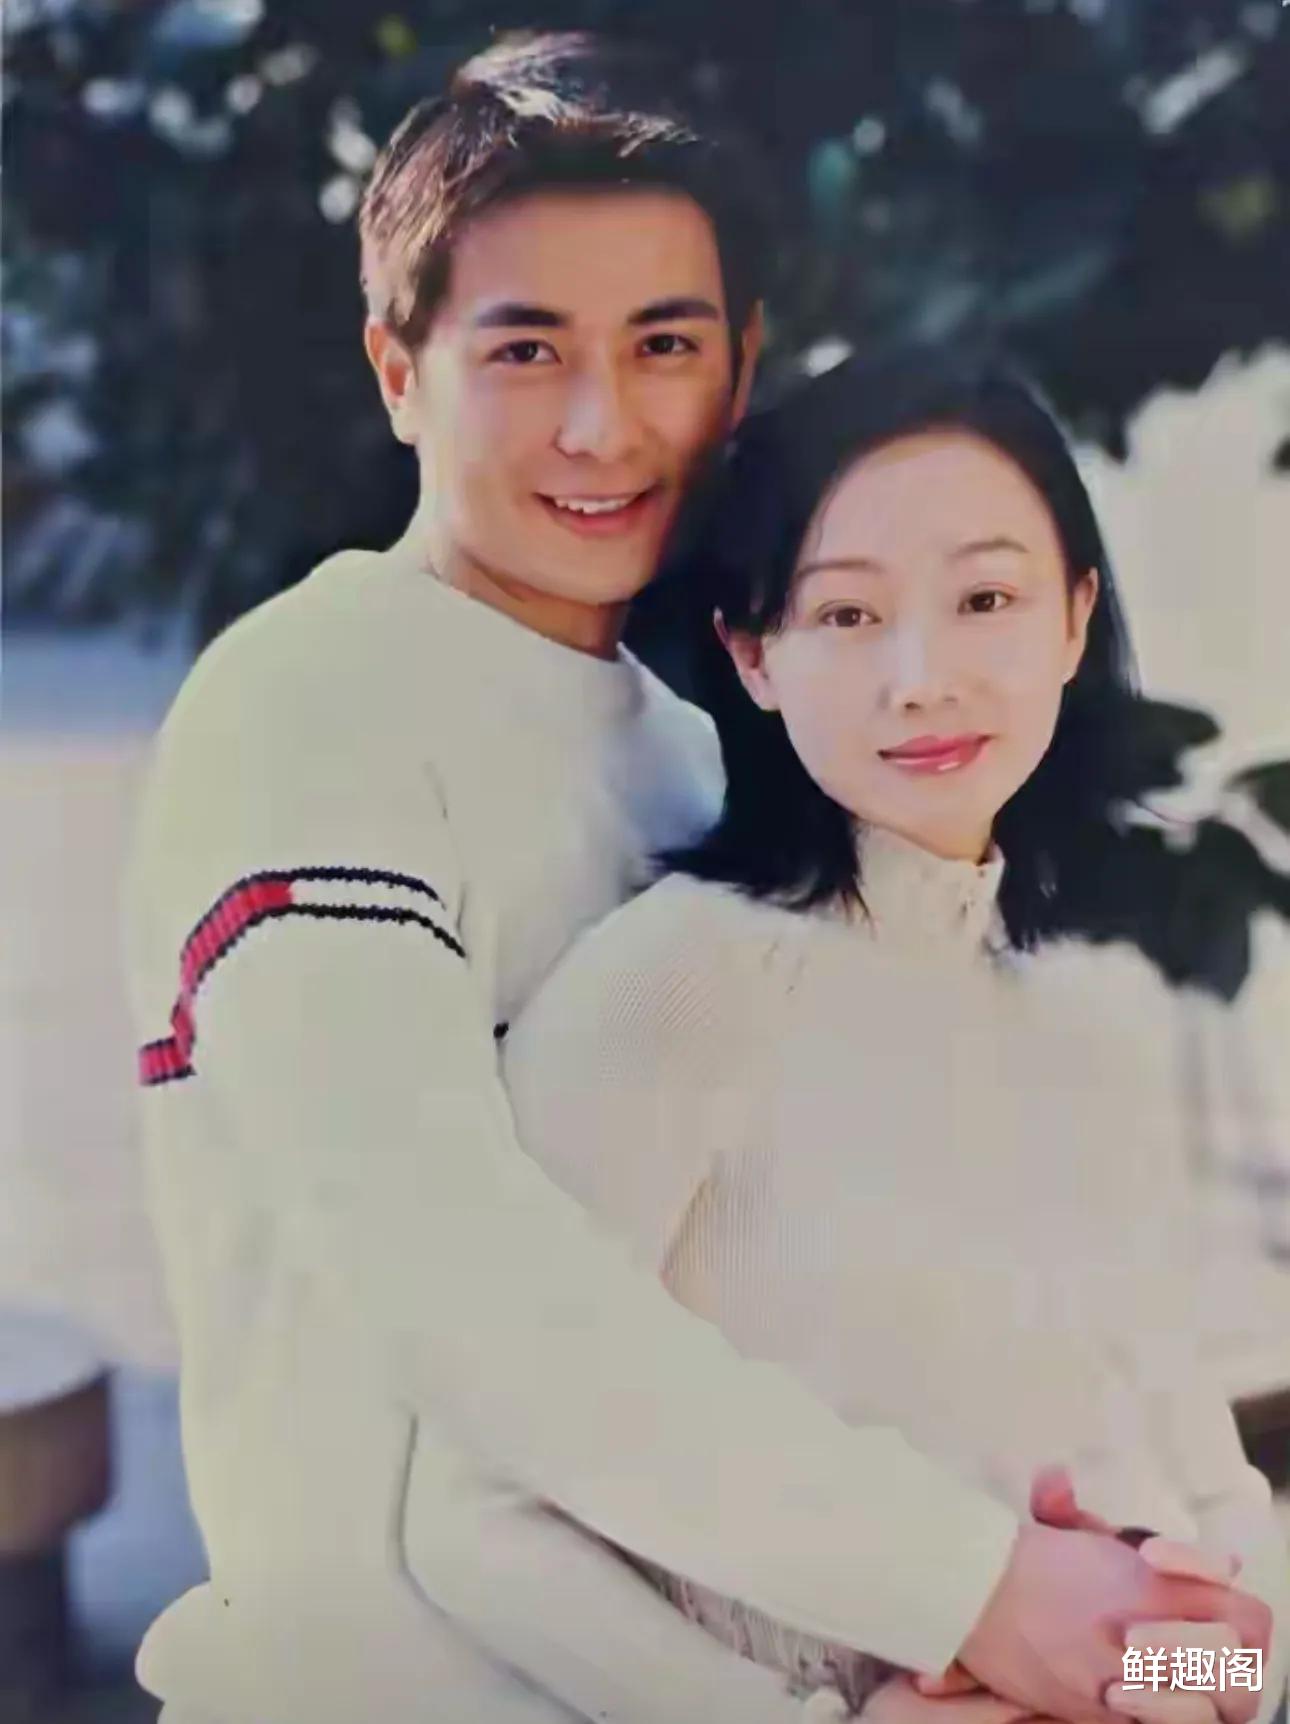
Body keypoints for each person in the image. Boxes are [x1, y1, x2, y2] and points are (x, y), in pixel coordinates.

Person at [126, 33, 1273, 1724]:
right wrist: (972, 1590)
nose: (603, 425)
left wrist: (1162, 1666)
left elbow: (1197, 1591)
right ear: (396, 369)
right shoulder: (316, 700)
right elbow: (465, 1298)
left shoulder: (705, 771)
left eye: (662, 345)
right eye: (525, 349)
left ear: (738, 373)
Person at [502, 355, 1290, 1723]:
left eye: (984, 600)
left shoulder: (1084, 1028)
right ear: (751, 653)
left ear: (1072, 619)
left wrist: (1183, 1678)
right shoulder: (669, 991)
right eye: (847, 614)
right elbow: (481, 1512)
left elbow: (1240, 1639)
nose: (921, 680)